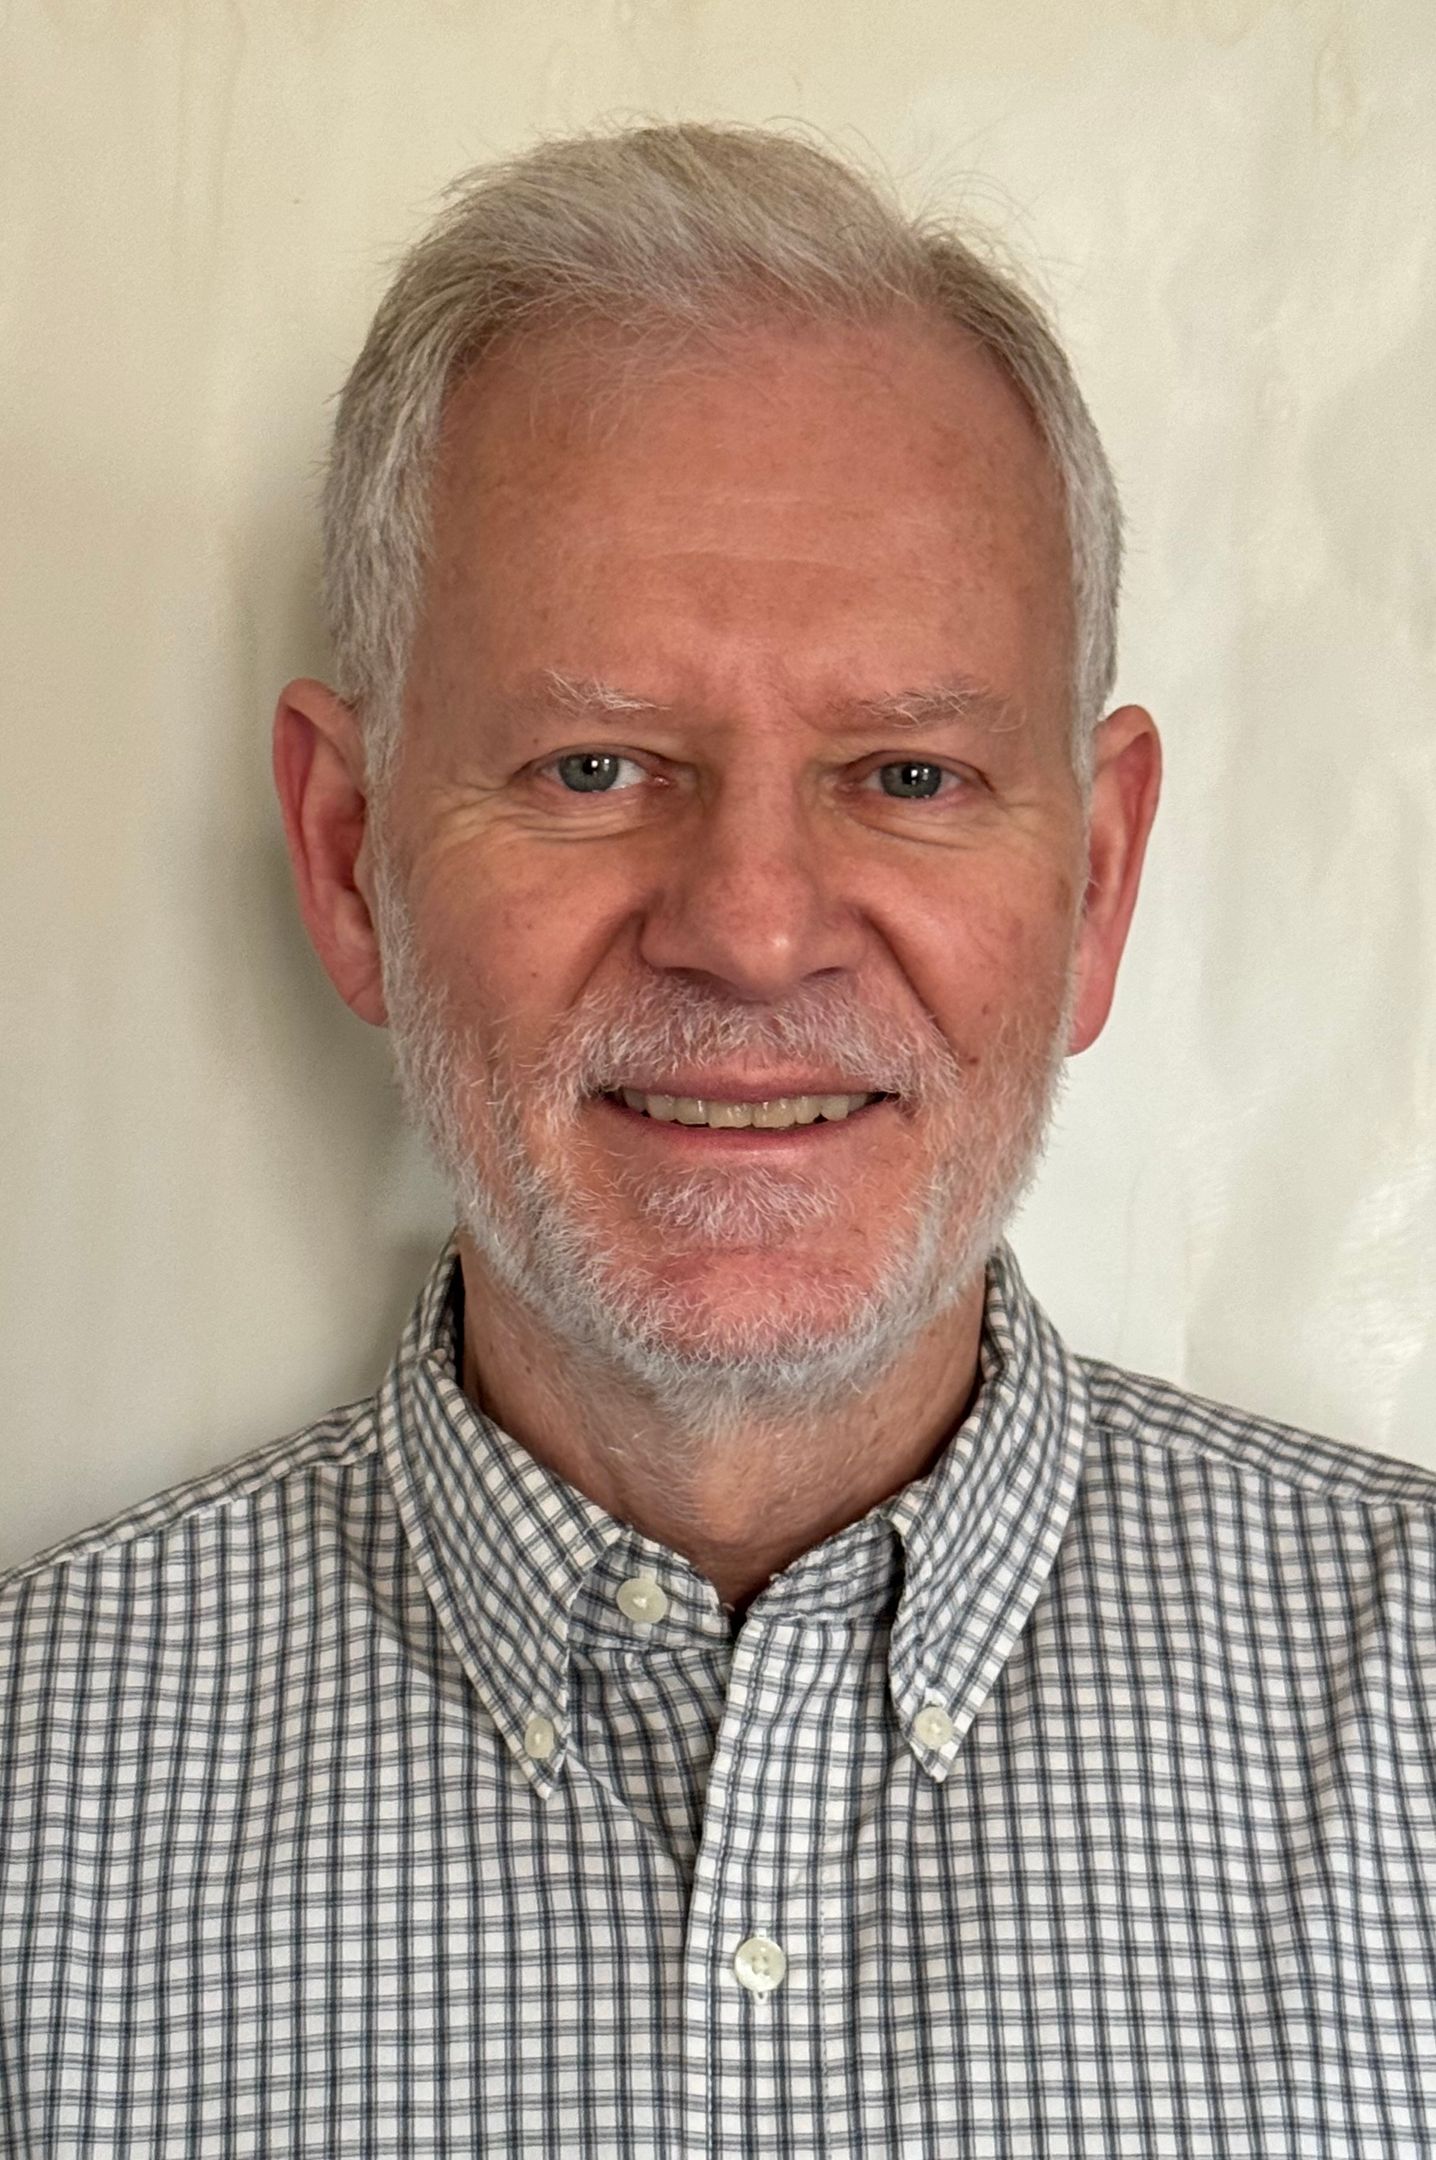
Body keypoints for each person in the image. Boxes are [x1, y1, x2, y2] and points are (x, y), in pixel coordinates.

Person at [1, 123, 1432, 2159]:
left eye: (908, 774)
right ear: (347, 858)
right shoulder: (37, 1806)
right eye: (595, 766)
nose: (753, 930)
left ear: (1097, 889)